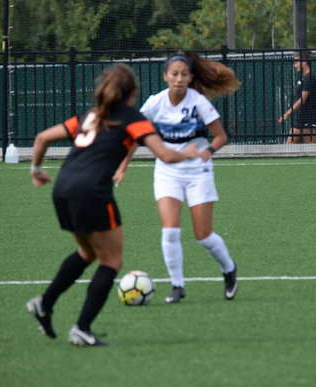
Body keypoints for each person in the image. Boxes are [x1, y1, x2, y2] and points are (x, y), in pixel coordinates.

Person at [25, 63, 199, 346]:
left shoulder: (90, 116)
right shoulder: (132, 118)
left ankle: (44, 304)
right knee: (111, 260)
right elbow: (165, 155)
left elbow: (42, 138)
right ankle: (82, 328)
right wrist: (190, 152)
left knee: (87, 252)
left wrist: (36, 170)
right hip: (92, 192)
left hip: (63, 188)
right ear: (133, 93)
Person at [138, 51, 240, 304]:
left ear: (191, 77)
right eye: (174, 74)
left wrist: (209, 150)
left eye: (184, 74)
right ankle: (177, 286)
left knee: (203, 235)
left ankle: (229, 269)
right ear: (165, 76)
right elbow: (135, 131)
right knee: (170, 230)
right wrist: (121, 163)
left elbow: (221, 136)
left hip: (197, 172)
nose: (179, 78)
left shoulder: (198, 102)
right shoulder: (155, 103)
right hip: (167, 171)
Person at [278, 51, 316, 144]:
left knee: (311, 149)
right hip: (299, 119)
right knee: (288, 148)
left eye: (296, 62)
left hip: (309, 119)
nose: (295, 65)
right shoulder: (303, 78)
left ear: (304, 62)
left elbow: (302, 99)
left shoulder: (309, 78)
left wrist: (287, 114)